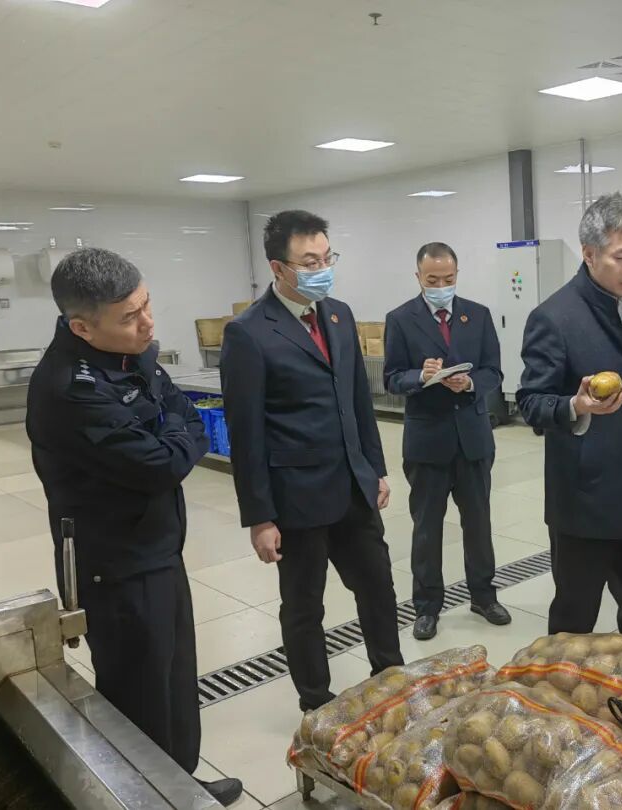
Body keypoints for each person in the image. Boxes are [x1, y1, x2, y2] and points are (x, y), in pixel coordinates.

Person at [26, 248, 242, 806]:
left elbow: (186, 415)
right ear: (81, 326)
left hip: (159, 546)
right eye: (129, 316)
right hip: (116, 566)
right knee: (139, 697)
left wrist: (174, 434)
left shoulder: (129, 352)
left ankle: (181, 785)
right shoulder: (69, 389)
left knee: (174, 680)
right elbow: (161, 465)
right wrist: (176, 437)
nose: (147, 323)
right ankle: (148, 798)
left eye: (146, 305)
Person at [220, 210, 403, 713]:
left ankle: (392, 678)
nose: (322, 269)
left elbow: (358, 400)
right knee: (305, 605)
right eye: (309, 262)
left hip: (353, 487)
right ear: (279, 268)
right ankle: (316, 702)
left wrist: (375, 468)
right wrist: (260, 517)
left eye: (327, 258)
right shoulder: (249, 332)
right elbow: (245, 433)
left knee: (378, 587)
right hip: (297, 499)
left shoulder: (338, 315)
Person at [517, 192, 622, 647]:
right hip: (583, 504)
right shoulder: (554, 317)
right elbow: (531, 402)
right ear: (588, 254)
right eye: (621, 257)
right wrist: (576, 406)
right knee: (574, 619)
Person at [383, 242, 511, 640]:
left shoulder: (478, 315)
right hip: (427, 440)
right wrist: (421, 377)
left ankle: (483, 596)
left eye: (448, 279)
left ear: (457, 274)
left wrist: (470, 383)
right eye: (433, 280)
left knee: (478, 523)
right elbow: (392, 378)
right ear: (418, 277)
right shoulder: (400, 319)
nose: (441, 286)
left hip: (472, 438)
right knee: (427, 527)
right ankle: (426, 606)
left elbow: (494, 371)